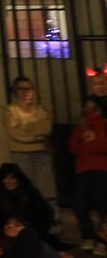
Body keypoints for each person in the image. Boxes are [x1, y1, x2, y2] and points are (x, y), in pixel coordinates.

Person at [7, 77, 56, 208]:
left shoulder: (40, 110)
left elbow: (46, 128)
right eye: (21, 89)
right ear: (15, 91)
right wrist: (38, 135)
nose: (26, 92)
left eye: (29, 88)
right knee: (25, 191)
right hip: (21, 154)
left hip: (42, 154)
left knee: (46, 191)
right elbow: (15, 134)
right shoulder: (10, 111)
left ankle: (50, 222)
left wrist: (25, 128)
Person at [69, 98, 107, 256]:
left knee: (102, 205)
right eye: (87, 106)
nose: (89, 110)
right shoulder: (80, 125)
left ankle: (103, 240)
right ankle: (88, 236)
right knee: (80, 204)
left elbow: (103, 146)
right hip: (83, 169)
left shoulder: (103, 123)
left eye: (93, 107)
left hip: (100, 168)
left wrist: (86, 146)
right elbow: (72, 147)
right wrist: (90, 147)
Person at [0, 163, 56, 248]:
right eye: (5, 178)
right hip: (5, 233)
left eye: (12, 178)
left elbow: (44, 214)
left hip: (29, 231)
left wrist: (22, 225)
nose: (9, 181)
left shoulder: (30, 192)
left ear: (18, 178)